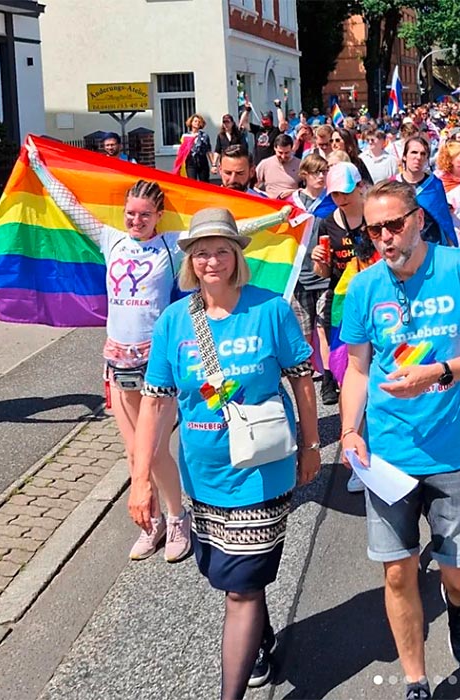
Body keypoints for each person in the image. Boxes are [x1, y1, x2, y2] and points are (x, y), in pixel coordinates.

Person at [25, 139, 291, 561]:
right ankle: (157, 523)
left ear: (158, 216)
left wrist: (280, 216)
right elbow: (71, 205)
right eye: (131, 213)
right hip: (118, 355)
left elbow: (228, 235)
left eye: (144, 215)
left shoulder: (171, 243)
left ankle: (178, 517)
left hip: (159, 356)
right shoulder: (110, 239)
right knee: (136, 451)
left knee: (155, 448)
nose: (136, 220)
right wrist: (40, 168)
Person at [130, 208, 320, 699]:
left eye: (221, 251)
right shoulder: (175, 320)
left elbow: (301, 379)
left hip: (262, 470)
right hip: (204, 473)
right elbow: (154, 401)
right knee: (225, 573)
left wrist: (311, 445)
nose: (211, 260)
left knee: (240, 588)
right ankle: (260, 633)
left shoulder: (270, 309)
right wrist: (140, 479)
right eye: (201, 252)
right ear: (189, 260)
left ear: (237, 257)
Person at [340, 180, 460, 700]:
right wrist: (349, 430)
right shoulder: (365, 287)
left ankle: (457, 606)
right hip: (389, 455)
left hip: (453, 452)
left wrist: (440, 371)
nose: (385, 237)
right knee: (396, 573)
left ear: (418, 219)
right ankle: (415, 679)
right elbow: (358, 369)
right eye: (374, 229)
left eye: (394, 224)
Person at [311, 162, 368, 408]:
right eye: (335, 193)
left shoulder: (374, 215)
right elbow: (323, 272)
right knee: (346, 362)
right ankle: (351, 423)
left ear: (361, 187)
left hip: (375, 295)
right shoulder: (327, 224)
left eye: (345, 191)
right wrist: (318, 260)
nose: (340, 198)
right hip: (342, 300)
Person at [288, 153, 331, 379]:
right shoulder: (291, 203)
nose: (322, 176)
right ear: (304, 174)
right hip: (300, 274)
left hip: (325, 274)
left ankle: (327, 376)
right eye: (317, 172)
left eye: (325, 172)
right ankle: (304, 373)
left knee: (324, 325)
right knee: (303, 329)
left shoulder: (330, 201)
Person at [253, 134, 301, 199]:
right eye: (280, 153)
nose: (283, 156)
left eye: (286, 153)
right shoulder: (265, 164)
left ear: (292, 149)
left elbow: (308, 190)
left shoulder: (300, 165)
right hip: (270, 204)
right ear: (275, 149)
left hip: (291, 204)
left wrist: (293, 192)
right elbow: (253, 185)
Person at [183, 114, 214, 182]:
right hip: (191, 162)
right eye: (195, 121)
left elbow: (208, 150)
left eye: (199, 122)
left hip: (202, 161)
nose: (197, 123)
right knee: (192, 183)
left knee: (204, 183)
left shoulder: (204, 136)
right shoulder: (186, 136)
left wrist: (213, 164)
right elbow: (182, 151)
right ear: (191, 123)